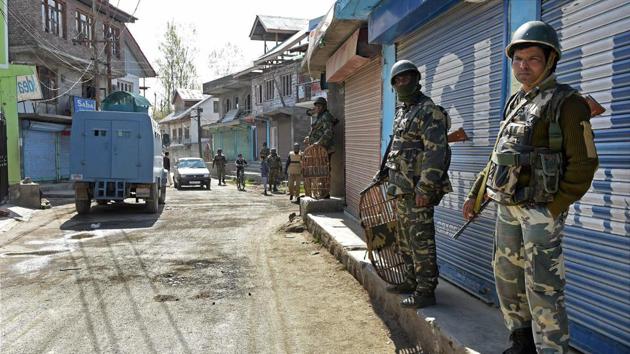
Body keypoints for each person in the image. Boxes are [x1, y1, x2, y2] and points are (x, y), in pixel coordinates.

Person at [462, 21, 598, 354]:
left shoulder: (568, 103)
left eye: (533, 59)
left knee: (543, 286)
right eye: (518, 59)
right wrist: (477, 193)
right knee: (507, 277)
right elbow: (499, 156)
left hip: (541, 210)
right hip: (507, 205)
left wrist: (552, 208)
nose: (523, 66)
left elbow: (584, 164)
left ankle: (552, 349)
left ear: (550, 60)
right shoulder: (515, 102)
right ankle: (521, 342)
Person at [382, 59, 452, 309]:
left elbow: (436, 153)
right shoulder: (403, 111)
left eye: (406, 78)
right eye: (397, 80)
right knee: (404, 238)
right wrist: (384, 173)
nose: (402, 83)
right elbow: (398, 148)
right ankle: (411, 281)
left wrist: (426, 188)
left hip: (418, 190)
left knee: (421, 240)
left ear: (416, 79)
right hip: (401, 188)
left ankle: (425, 290)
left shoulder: (428, 110)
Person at [303, 97, 337, 198]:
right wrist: (309, 138)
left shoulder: (326, 116)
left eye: (319, 106)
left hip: (324, 149)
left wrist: (319, 142)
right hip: (317, 149)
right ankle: (320, 191)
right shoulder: (319, 116)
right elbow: (317, 131)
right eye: (316, 106)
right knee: (318, 170)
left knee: (324, 170)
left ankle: (325, 193)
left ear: (324, 106)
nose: (317, 108)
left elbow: (328, 132)